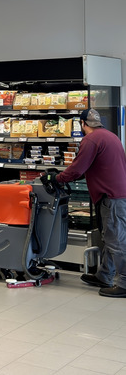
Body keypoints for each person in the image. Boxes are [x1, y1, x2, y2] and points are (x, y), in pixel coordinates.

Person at [52, 109, 126, 297]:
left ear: (82, 123)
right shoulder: (110, 136)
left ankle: (124, 284)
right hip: (117, 195)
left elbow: (78, 169)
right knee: (111, 237)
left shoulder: (91, 140)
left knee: (116, 240)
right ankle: (104, 276)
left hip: (112, 196)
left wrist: (57, 178)